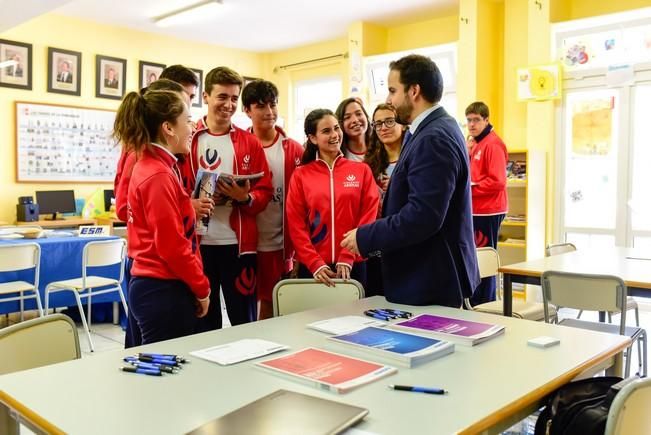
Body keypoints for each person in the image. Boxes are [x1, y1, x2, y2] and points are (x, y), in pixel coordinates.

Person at [341, 54, 480, 307]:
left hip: (430, 277)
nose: (389, 100)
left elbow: (423, 217)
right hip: (428, 274)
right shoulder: (435, 128)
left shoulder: (433, 138)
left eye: (393, 90)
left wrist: (366, 237)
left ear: (414, 91)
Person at [112, 88, 210, 345]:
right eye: (188, 121)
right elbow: (172, 246)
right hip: (162, 287)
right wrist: (202, 288)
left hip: (160, 285)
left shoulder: (159, 166)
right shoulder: (157, 174)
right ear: (168, 127)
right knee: (164, 375)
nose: (192, 128)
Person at [189, 66, 272, 330]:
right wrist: (191, 203)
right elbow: (176, 188)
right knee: (204, 322)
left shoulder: (250, 142)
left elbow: (265, 192)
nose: (229, 104)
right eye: (222, 96)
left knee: (244, 322)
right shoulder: (189, 138)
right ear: (206, 96)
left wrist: (244, 197)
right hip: (198, 245)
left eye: (234, 98)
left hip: (239, 246)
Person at [286, 109, 379, 288]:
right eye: (326, 131)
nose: (335, 135)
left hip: (354, 264)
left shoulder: (361, 171)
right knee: (317, 317)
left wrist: (348, 254)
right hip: (315, 268)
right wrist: (314, 263)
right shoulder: (301, 175)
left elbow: (369, 215)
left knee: (355, 317)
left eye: (336, 128)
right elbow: (296, 224)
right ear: (313, 138)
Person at [242, 79, 303, 320]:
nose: (269, 112)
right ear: (247, 110)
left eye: (273, 104)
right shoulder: (239, 147)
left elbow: (304, 202)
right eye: (260, 106)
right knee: (244, 307)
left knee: (271, 306)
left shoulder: (294, 149)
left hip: (279, 244)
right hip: (244, 243)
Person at [465, 101, 508, 306]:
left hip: (488, 210)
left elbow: (498, 181)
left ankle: (486, 302)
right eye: (469, 120)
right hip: (476, 210)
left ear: (487, 120)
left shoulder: (492, 144)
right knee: (475, 257)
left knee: (484, 257)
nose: (472, 125)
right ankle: (477, 299)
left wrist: (469, 189)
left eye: (476, 120)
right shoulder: (475, 143)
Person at [362, 103, 406, 296]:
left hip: (405, 234)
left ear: (402, 124)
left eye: (389, 121)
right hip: (379, 237)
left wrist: (397, 189)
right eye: (378, 124)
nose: (383, 128)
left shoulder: (412, 156)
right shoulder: (370, 163)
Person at [335, 97, 372, 162]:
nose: (355, 120)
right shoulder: (337, 156)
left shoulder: (380, 148)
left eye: (358, 114)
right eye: (347, 117)